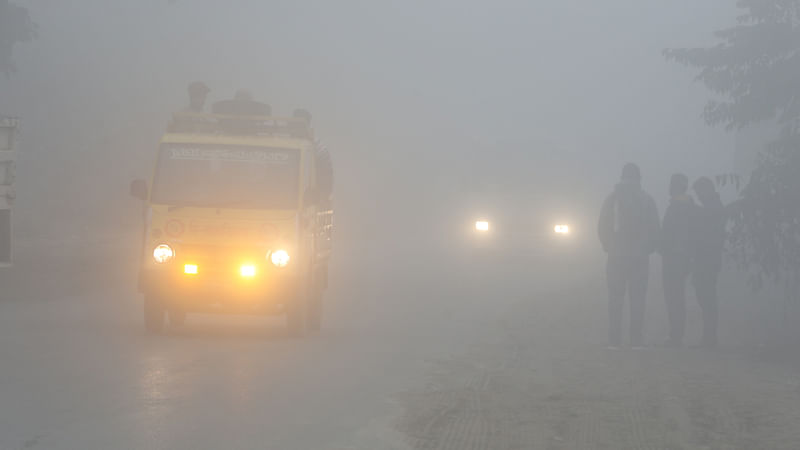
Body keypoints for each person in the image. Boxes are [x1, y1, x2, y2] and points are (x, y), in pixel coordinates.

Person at [598, 163, 660, 349]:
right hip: (639, 257)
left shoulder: (612, 199)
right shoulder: (647, 200)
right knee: (637, 298)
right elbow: (655, 228)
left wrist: (609, 246)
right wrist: (648, 249)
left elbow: (602, 226)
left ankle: (614, 340)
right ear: (639, 178)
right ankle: (636, 340)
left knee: (615, 298)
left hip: (616, 256)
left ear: (622, 177)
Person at [659, 173, 698, 347]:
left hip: (675, 256)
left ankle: (676, 336)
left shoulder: (678, 207)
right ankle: (676, 335)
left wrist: (664, 247)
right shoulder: (686, 206)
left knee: (674, 296)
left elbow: (672, 233)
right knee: (676, 296)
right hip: (680, 256)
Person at [691, 176, 726, 347]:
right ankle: (709, 336)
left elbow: (710, 233)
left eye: (700, 192)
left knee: (707, 298)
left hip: (708, 260)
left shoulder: (714, 208)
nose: (699, 196)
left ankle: (710, 337)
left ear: (708, 190)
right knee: (705, 297)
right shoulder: (711, 207)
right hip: (705, 259)